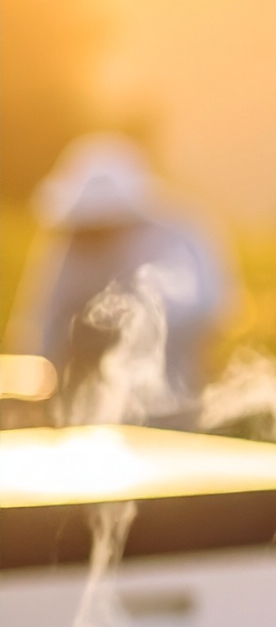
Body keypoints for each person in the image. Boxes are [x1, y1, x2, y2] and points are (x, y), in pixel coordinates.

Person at [8, 133, 234, 426]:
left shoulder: (180, 233)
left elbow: (211, 311)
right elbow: (40, 322)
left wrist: (126, 333)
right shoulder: (68, 242)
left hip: (175, 401)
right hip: (80, 410)